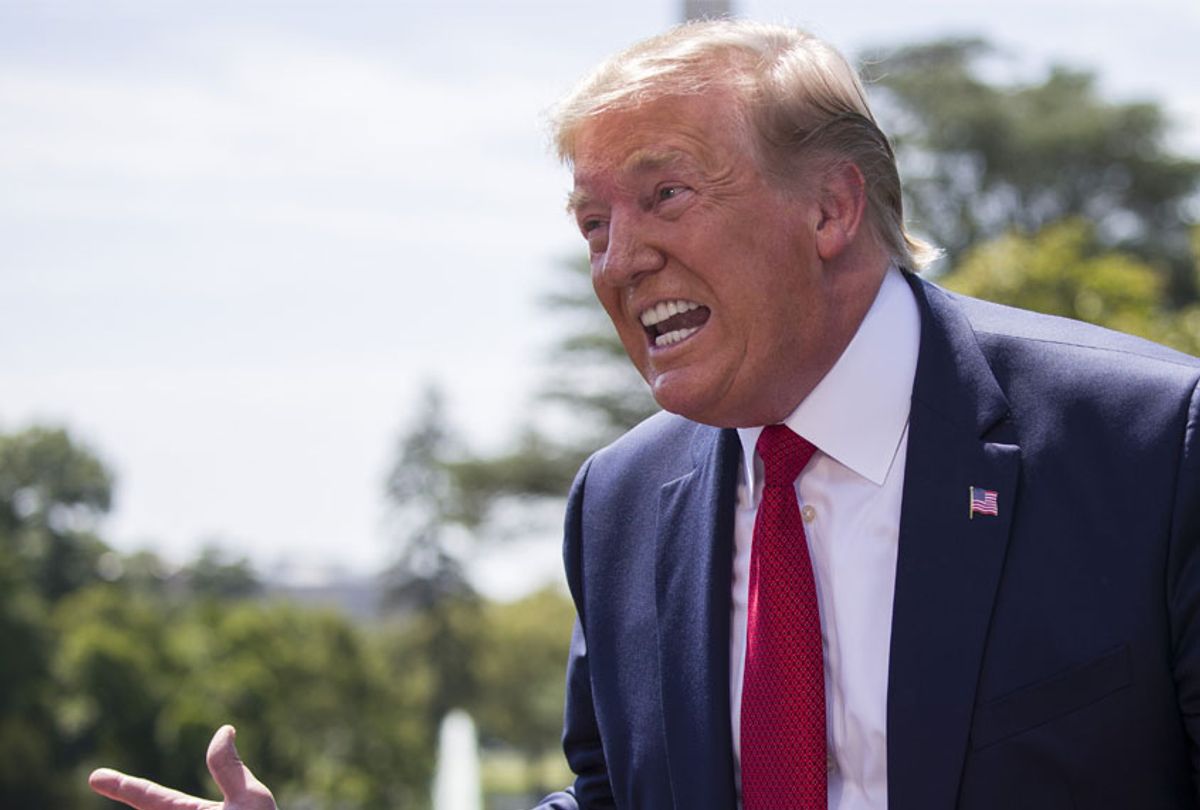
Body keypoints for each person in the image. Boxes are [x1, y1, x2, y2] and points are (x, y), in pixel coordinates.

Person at [89, 19, 1200, 810]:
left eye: (664, 195)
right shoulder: (618, 502)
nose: (619, 261)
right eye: (591, 225)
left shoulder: (1153, 446)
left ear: (830, 206)